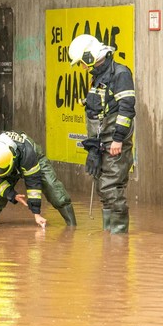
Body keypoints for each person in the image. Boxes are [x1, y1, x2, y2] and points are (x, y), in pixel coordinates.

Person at [68, 34, 136, 234]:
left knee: (111, 187)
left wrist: (118, 139)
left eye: (81, 63)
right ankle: (110, 237)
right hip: (100, 142)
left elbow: (127, 109)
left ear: (90, 57)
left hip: (114, 142)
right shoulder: (99, 77)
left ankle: (118, 237)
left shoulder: (120, 74)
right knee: (102, 186)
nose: (82, 67)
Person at [0, 131, 77, 228]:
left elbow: (33, 182)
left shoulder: (27, 152)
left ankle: (72, 227)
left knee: (53, 189)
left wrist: (36, 213)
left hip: (34, 159)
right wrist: (11, 194)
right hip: (8, 165)